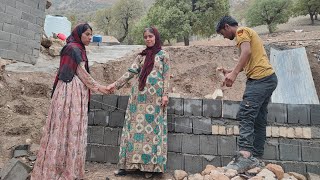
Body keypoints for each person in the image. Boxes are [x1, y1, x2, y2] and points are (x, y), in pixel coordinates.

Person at [31, 23, 109, 180]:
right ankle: (56, 171)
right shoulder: (72, 49)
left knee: (70, 129)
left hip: (75, 95)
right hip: (68, 95)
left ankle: (67, 169)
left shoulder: (78, 49)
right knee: (64, 129)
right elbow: (82, 74)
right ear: (79, 34)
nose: (89, 37)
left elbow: (82, 74)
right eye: (87, 34)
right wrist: (101, 88)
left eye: (91, 35)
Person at [216, 16, 278, 173]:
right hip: (267, 78)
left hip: (259, 80)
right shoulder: (248, 33)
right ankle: (255, 158)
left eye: (222, 33)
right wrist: (231, 70)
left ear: (227, 26)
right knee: (258, 119)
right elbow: (249, 58)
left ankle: (244, 156)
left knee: (246, 113)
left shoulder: (241, 32)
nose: (224, 36)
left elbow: (246, 52)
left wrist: (234, 74)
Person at [106, 27, 170, 178]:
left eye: (150, 36)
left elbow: (166, 77)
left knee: (152, 132)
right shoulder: (141, 56)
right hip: (138, 100)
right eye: (145, 37)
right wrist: (114, 85)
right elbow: (130, 72)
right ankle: (128, 166)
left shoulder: (163, 55)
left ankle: (150, 168)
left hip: (155, 102)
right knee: (134, 131)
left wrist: (165, 95)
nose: (148, 39)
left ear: (156, 37)